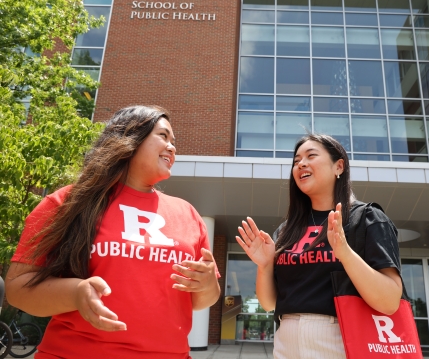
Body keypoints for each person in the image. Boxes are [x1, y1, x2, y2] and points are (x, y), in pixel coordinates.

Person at [5, 105, 220, 359]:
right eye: (163, 136)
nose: (172, 147)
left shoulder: (188, 214)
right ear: (130, 137)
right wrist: (75, 293)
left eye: (174, 141)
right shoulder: (67, 203)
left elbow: (202, 300)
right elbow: (17, 289)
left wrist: (207, 286)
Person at [236, 134, 402, 359]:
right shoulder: (286, 231)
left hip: (343, 340)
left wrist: (345, 253)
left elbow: (390, 301)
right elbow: (269, 303)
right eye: (296, 161)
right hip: (286, 342)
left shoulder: (367, 219)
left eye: (311, 156)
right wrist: (265, 265)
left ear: (339, 166)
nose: (301, 164)